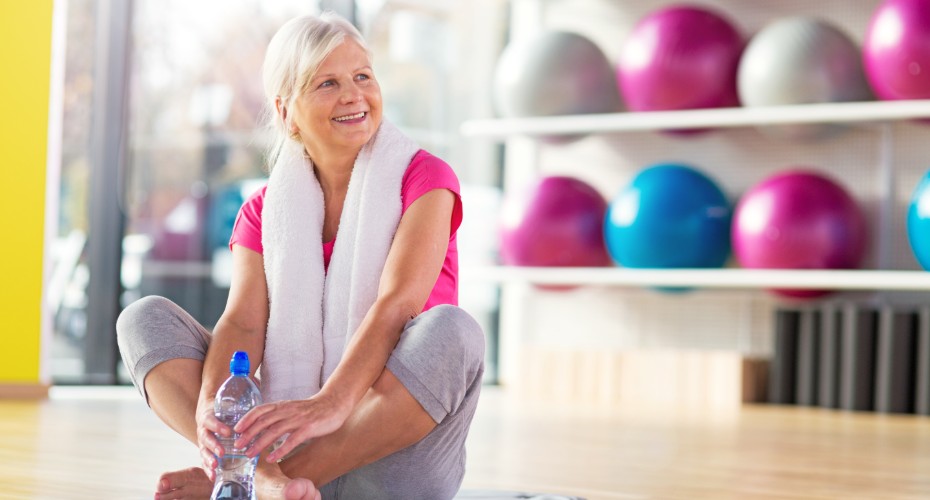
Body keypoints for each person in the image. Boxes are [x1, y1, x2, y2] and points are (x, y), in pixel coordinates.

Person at [117, 11, 485, 500]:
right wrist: (210, 405)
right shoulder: (262, 211)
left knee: (453, 332)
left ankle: (248, 482)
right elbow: (243, 324)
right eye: (327, 83)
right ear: (287, 111)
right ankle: (263, 478)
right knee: (142, 320)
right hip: (282, 432)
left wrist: (330, 404)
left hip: (386, 456)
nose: (353, 95)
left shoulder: (425, 178)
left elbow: (397, 304)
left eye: (362, 77)